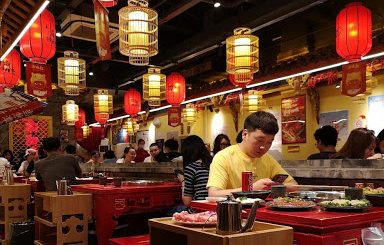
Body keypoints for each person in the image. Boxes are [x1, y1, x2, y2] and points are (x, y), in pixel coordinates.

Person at [207, 111, 297, 197]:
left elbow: (293, 185)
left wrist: (275, 187)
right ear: (245, 134)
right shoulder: (224, 157)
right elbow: (214, 194)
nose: (263, 147)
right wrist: (251, 189)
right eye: (259, 140)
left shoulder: (267, 159)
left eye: (269, 142)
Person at [182, 135, 212, 207]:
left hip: (199, 209)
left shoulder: (191, 168)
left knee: (171, 210)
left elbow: (187, 202)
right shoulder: (213, 163)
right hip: (215, 208)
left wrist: (183, 182)